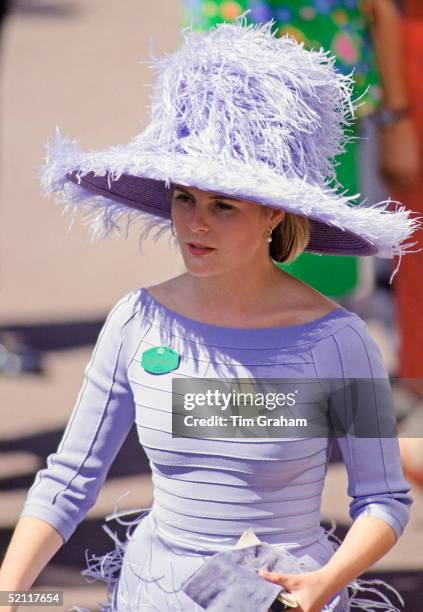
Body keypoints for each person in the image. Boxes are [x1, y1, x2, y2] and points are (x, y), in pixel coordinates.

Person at [0, 17, 420, 612]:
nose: (196, 224)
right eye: (184, 198)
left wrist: (326, 581)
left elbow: (384, 498)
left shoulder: (340, 343)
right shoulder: (135, 321)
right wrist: (12, 591)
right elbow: (69, 479)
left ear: (275, 215)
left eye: (224, 205)